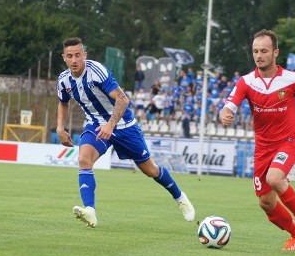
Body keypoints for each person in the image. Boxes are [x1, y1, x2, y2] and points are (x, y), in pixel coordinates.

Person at [56, 37, 195, 228]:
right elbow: (63, 102)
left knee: (150, 170)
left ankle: (180, 198)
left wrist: (110, 125)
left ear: (84, 56)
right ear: (64, 58)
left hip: (123, 125)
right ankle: (90, 211)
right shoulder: (64, 80)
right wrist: (60, 128)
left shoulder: (97, 72)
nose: (74, 60)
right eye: (70, 56)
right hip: (95, 124)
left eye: (78, 55)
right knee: (84, 159)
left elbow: (122, 99)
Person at [219, 29, 295, 251]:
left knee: (274, 178)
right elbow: (228, 105)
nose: (258, 55)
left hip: (289, 140)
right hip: (263, 147)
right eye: (255, 51)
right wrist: (224, 114)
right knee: (266, 202)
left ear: (275, 53)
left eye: (264, 50)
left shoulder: (293, 79)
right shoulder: (246, 82)